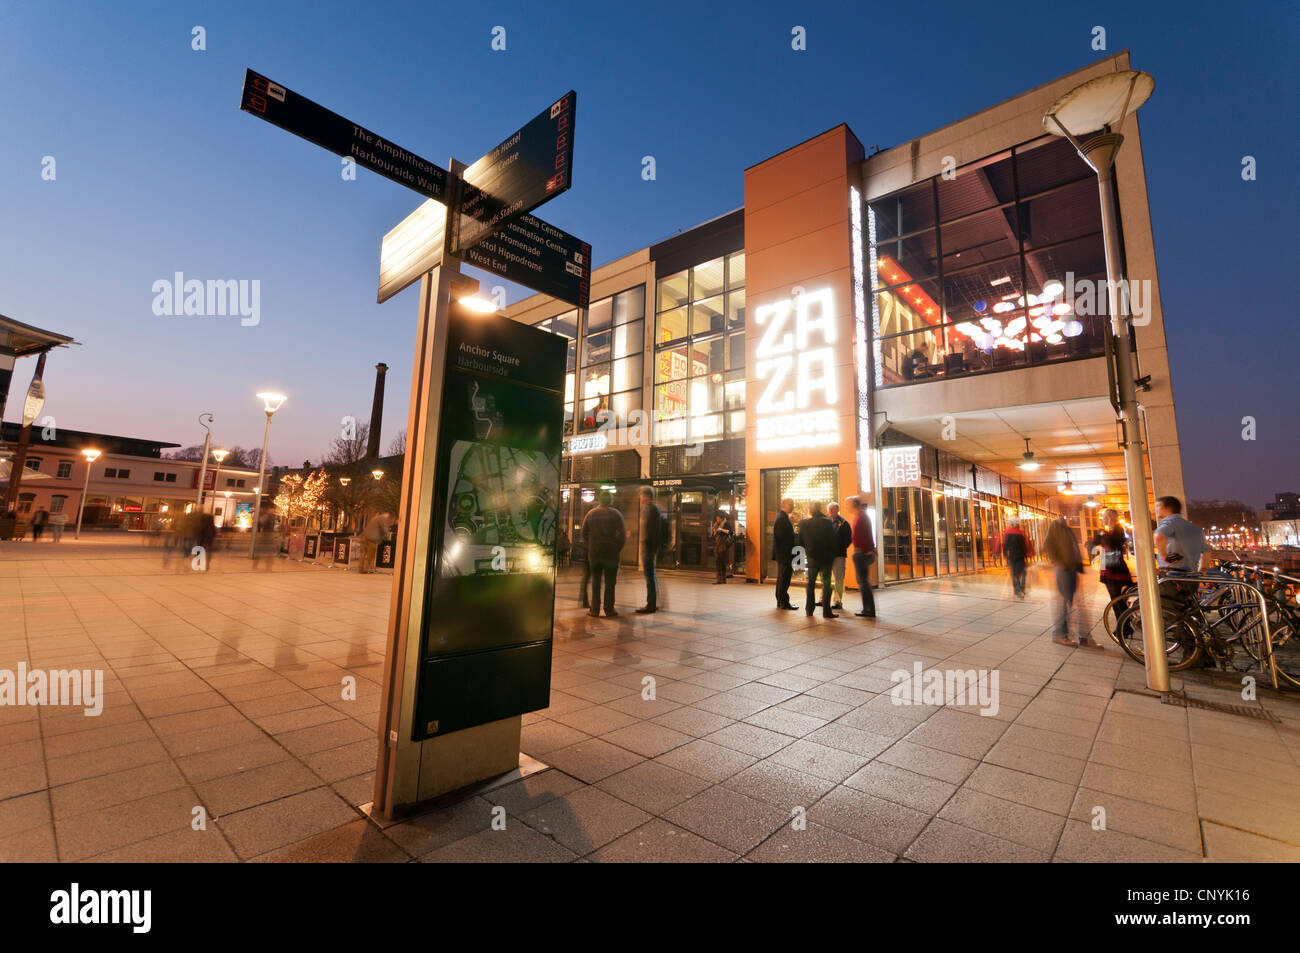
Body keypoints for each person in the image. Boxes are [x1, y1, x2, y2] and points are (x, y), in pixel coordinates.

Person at [1044, 516, 1102, 649]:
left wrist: (1078, 569)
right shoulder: (1056, 525)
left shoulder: (1067, 527)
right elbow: (1047, 544)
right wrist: (1058, 563)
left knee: (1078, 604)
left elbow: (1073, 549)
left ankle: (1084, 636)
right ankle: (1060, 634)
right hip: (1064, 570)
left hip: (1071, 570)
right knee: (1065, 603)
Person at [582, 490, 626, 618]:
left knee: (596, 582)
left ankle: (594, 610)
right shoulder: (616, 514)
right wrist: (617, 548)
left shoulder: (591, 514)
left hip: (595, 553)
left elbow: (584, 534)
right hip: (611, 553)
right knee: (610, 582)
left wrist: (591, 546)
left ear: (599, 500)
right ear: (611, 500)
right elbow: (622, 535)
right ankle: (609, 609)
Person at [798, 501, 838, 619]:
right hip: (826, 558)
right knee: (826, 584)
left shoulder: (804, 523)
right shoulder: (827, 522)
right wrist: (832, 554)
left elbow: (800, 541)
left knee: (810, 583)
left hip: (812, 558)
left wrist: (807, 551)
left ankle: (809, 609)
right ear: (820, 508)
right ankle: (826, 611)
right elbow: (832, 540)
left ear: (810, 510)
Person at [1092, 508, 1133, 600]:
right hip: (1107, 567)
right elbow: (1095, 542)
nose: (1103, 519)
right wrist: (1101, 530)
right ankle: (1122, 614)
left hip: (1116, 569)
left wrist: (1104, 533)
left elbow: (1113, 546)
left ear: (1111, 517)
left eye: (1105, 517)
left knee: (1117, 599)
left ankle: (1124, 614)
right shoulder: (1107, 531)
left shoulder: (1118, 530)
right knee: (1114, 598)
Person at [846, 497, 876, 618]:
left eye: (847, 504)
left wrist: (867, 550)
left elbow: (865, 536)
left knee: (863, 582)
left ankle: (868, 609)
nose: (846, 506)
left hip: (861, 553)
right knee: (864, 582)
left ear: (854, 504)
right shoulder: (861, 516)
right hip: (862, 552)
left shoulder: (861, 517)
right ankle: (867, 608)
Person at [635, 486, 662, 614]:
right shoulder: (653, 508)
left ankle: (650, 604)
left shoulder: (650, 509)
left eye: (640, 494)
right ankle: (653, 602)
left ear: (646, 496)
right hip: (650, 546)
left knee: (649, 576)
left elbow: (650, 530)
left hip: (648, 547)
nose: (639, 497)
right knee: (652, 576)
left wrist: (646, 544)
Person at [772, 497, 798, 610]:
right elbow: (783, 536)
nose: (793, 507)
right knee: (784, 578)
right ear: (785, 505)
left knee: (782, 577)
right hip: (784, 553)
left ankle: (780, 600)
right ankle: (784, 602)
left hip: (783, 553)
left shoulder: (782, 517)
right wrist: (795, 534)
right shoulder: (782, 518)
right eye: (791, 504)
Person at [828, 502, 852, 611]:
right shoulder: (826, 522)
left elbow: (848, 539)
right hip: (828, 554)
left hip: (839, 555)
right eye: (830, 509)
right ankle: (822, 599)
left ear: (837, 510)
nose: (832, 511)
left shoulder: (844, 523)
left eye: (834, 509)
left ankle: (837, 601)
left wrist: (840, 547)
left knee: (838, 579)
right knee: (826, 578)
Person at [1002, 518, 1029, 599]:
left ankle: (1016, 589)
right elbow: (1024, 546)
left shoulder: (1008, 533)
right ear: (1017, 524)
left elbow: (1005, 545)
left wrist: (1005, 555)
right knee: (1022, 572)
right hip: (1020, 555)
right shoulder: (1021, 533)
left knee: (1014, 573)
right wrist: (1026, 555)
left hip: (1012, 555)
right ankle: (1021, 588)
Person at [711, 513, 734, 584]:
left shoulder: (726, 523)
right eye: (716, 519)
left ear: (721, 518)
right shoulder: (716, 524)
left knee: (722, 561)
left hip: (723, 545)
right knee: (718, 561)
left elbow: (730, 532)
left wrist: (721, 529)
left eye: (718, 519)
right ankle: (720, 579)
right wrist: (715, 531)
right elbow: (714, 535)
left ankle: (722, 579)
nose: (717, 520)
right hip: (717, 544)